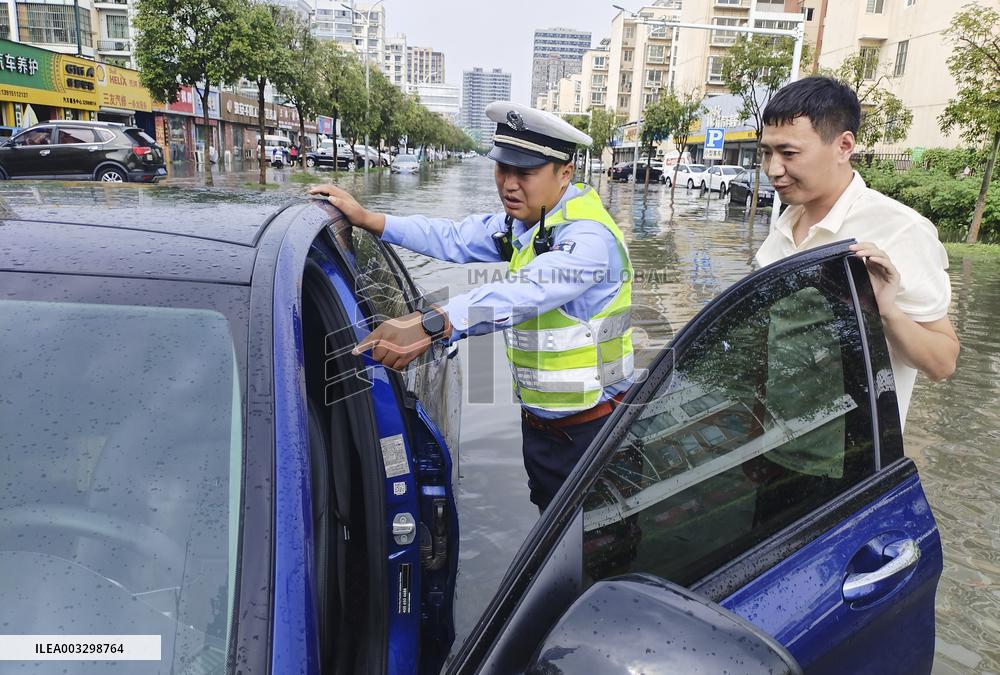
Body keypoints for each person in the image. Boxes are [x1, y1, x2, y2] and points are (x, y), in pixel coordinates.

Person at [310, 101, 634, 512]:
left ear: (565, 173)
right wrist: (371, 219)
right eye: (503, 169)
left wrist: (433, 324)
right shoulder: (531, 222)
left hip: (598, 434)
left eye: (525, 173)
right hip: (545, 432)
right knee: (556, 536)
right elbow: (455, 237)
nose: (509, 185)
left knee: (602, 541)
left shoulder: (589, 239)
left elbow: (524, 292)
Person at [747, 77, 959, 524]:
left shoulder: (899, 230)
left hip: (849, 469)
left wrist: (887, 310)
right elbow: (773, 345)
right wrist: (755, 432)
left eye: (789, 153)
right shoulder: (783, 226)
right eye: (766, 153)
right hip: (776, 452)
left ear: (843, 146)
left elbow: (943, 361)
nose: (773, 169)